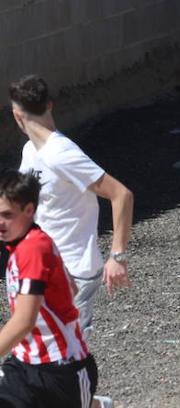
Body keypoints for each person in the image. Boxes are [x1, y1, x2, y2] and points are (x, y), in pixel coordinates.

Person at [9, 75, 134, 338]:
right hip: (45, 267)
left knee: (67, 347)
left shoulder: (62, 154)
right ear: (50, 106)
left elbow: (121, 194)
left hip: (74, 271)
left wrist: (117, 256)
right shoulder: (31, 152)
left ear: (16, 115)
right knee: (41, 346)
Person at [0, 170, 109, 408]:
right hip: (25, 365)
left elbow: (24, 321)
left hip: (60, 371)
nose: (0, 223)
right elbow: (70, 288)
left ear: (29, 210)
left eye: (7, 215)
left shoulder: (33, 249)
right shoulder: (28, 243)